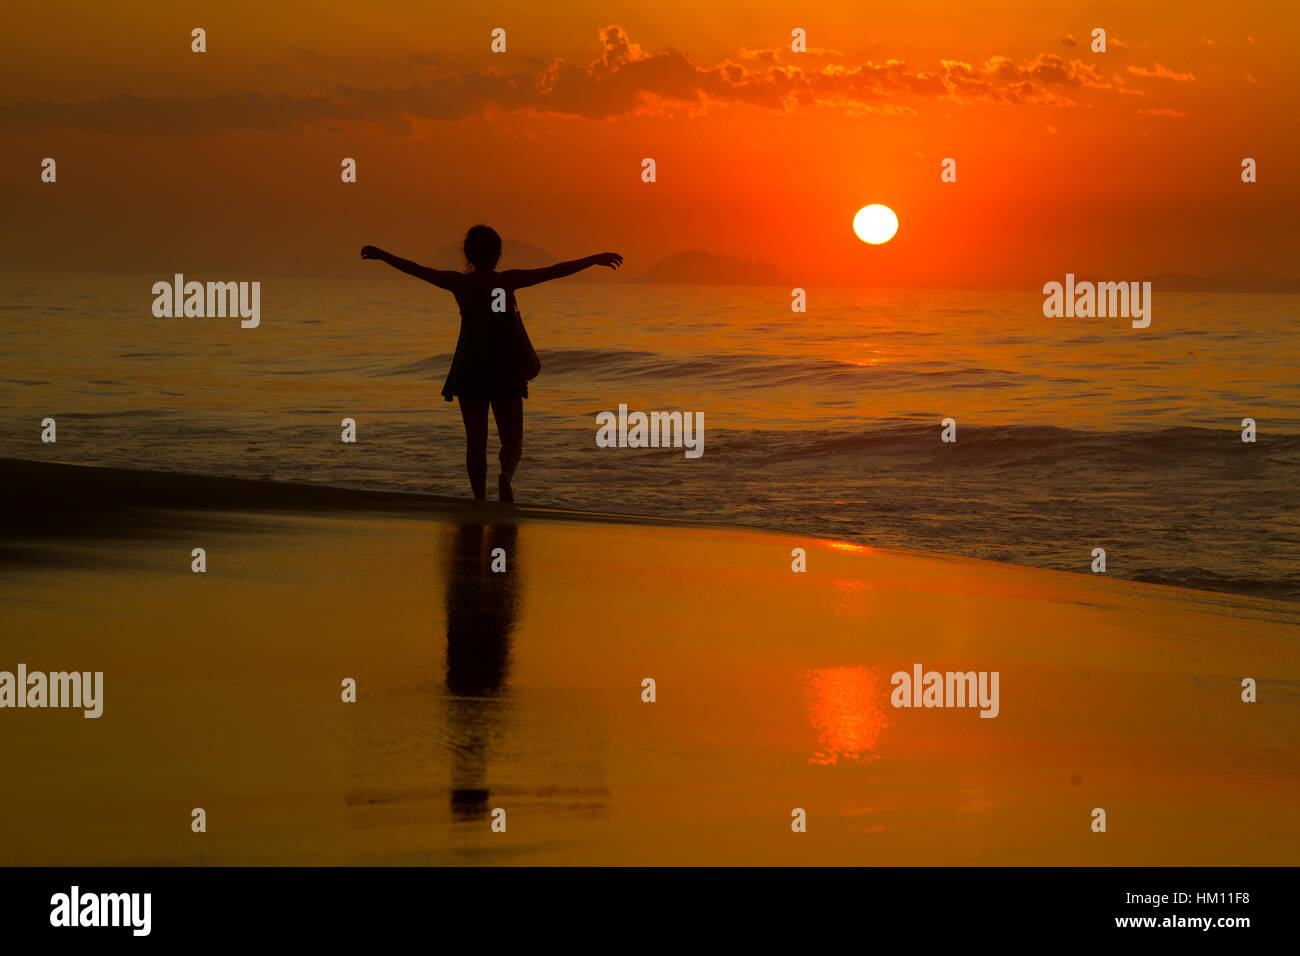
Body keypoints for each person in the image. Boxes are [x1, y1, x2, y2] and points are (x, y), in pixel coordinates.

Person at [361, 227, 622, 502]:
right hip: (505, 369)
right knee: (512, 440)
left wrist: (382, 255)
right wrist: (594, 259)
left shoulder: (458, 283)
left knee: (476, 443)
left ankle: (479, 500)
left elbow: (414, 268)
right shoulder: (509, 281)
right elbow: (555, 270)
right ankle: (505, 477)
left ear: (468, 254)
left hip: (469, 369)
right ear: (498, 254)